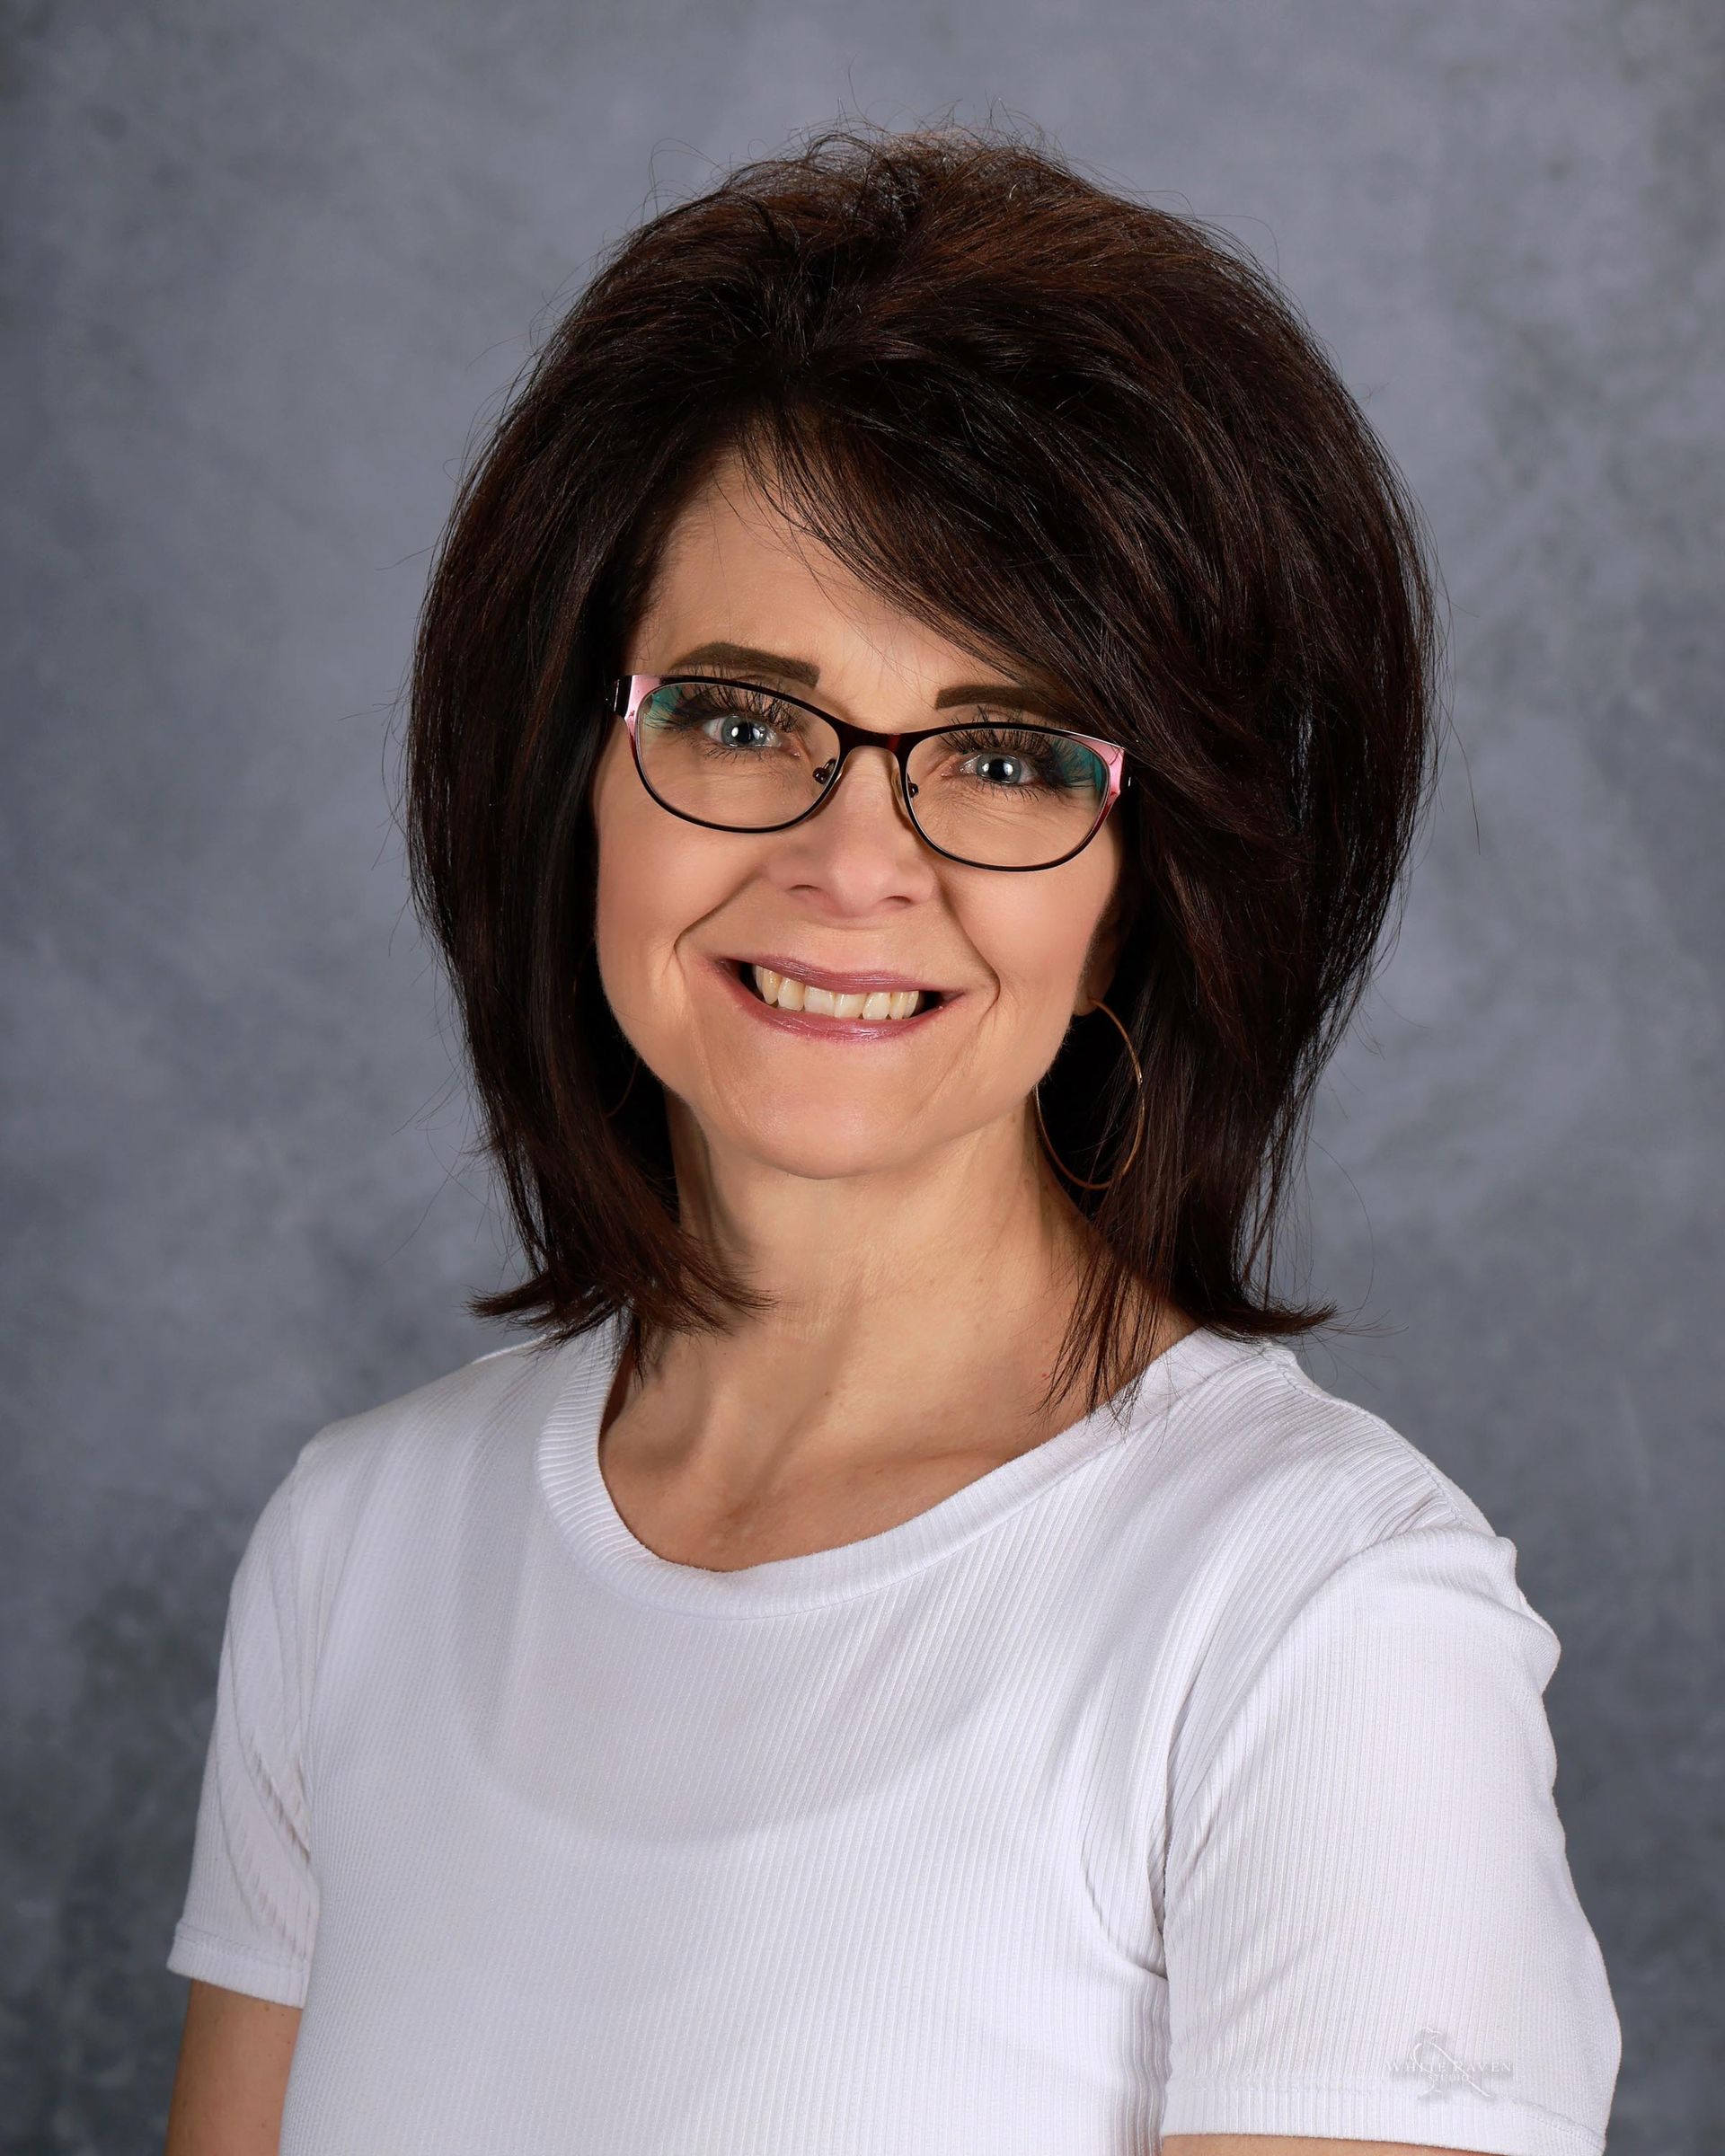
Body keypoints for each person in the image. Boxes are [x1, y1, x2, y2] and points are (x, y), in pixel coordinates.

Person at [163, 120, 1622, 2156]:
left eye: (1006, 756)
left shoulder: (1322, 1622)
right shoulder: (359, 1550)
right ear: (572, 770)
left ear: (1154, 884)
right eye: (742, 718)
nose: (857, 865)